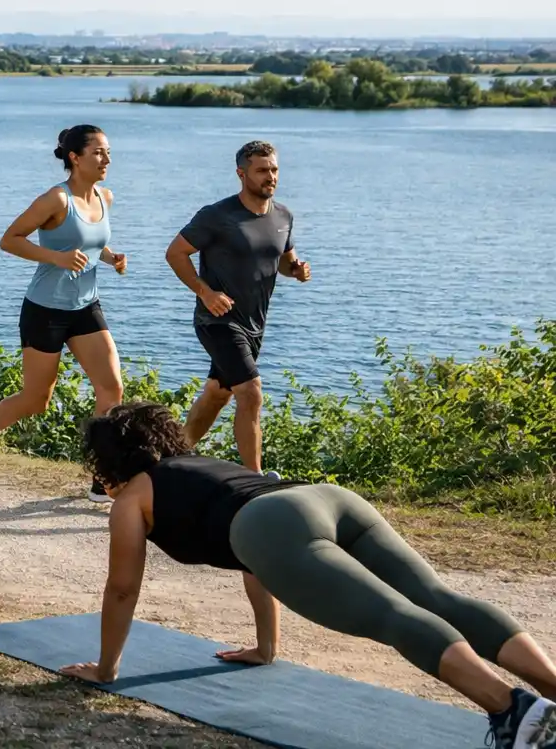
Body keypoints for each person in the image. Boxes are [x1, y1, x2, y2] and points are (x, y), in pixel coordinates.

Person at [58, 401, 556, 749]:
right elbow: (256, 563)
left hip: (273, 524)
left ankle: (512, 710)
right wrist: (265, 647)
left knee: (393, 616)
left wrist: (106, 668)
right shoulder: (202, 467)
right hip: (325, 499)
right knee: (435, 596)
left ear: (110, 461)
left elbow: (122, 589)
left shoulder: (131, 499)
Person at [0, 124, 127, 502]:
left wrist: (111, 256)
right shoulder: (56, 199)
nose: (107, 159)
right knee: (37, 399)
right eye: (98, 152)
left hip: (86, 306)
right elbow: (10, 239)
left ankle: (102, 476)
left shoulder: (106, 197)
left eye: (108, 151)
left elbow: (93, 242)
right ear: (75, 157)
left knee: (111, 388)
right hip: (45, 309)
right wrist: (56, 257)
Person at [164, 140, 309, 474]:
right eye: (261, 170)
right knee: (251, 392)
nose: (270, 176)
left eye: (273, 169)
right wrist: (205, 292)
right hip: (217, 320)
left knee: (217, 394)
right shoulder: (217, 216)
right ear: (241, 174)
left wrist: (297, 270)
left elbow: (283, 262)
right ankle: (253, 481)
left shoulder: (283, 216)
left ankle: (169, 460)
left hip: (254, 324)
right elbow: (175, 253)